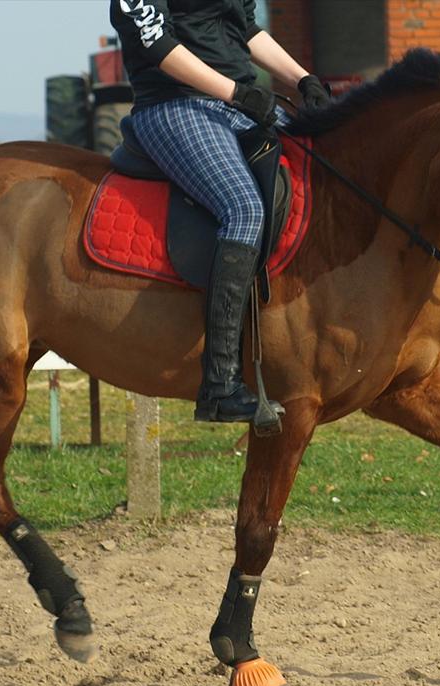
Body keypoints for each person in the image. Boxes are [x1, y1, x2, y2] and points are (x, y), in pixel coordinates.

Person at [110, 0, 330, 423]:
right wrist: (236, 92)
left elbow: (245, 28)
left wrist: (303, 79)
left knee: (327, 170)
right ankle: (220, 384)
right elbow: (157, 43)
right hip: (175, 104)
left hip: (238, 103)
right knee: (243, 209)